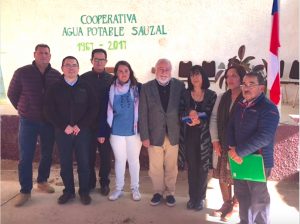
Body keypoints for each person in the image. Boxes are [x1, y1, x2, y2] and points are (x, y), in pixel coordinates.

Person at [7, 44, 61, 207]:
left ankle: (42, 181)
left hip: (48, 122)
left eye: (46, 53)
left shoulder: (55, 75)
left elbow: (58, 97)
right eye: (40, 53)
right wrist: (24, 109)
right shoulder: (22, 72)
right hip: (28, 121)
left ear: (50, 56)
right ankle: (25, 190)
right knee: (26, 156)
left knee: (47, 153)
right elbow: (12, 94)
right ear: (34, 54)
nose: (43, 55)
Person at [227, 72, 279, 224]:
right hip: (238, 158)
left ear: (261, 88)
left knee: (258, 199)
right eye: (244, 84)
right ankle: (244, 221)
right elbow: (230, 126)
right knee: (242, 195)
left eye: (251, 84)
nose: (246, 87)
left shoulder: (269, 108)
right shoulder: (240, 104)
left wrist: (239, 152)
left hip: (258, 160)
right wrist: (232, 146)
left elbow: (264, 136)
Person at [44, 56, 97, 205]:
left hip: (82, 132)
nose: (71, 68)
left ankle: (84, 192)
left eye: (74, 65)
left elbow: (93, 108)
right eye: (67, 65)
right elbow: (49, 110)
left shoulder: (86, 86)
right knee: (65, 163)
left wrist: (81, 126)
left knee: (84, 163)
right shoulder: (54, 87)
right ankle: (68, 192)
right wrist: (63, 126)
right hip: (63, 132)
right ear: (62, 68)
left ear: (78, 68)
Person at [139, 58, 185, 207]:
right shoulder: (146, 88)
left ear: (171, 71)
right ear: (156, 70)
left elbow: (184, 108)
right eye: (161, 69)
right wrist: (144, 136)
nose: (164, 72)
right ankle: (158, 192)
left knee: (172, 166)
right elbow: (142, 113)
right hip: (154, 135)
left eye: (167, 69)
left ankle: (170, 193)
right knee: (155, 167)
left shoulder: (179, 85)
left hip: (173, 133)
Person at [98, 60, 142, 201]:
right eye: (120, 71)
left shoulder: (138, 88)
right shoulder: (109, 89)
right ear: (116, 73)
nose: (123, 74)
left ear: (130, 72)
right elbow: (103, 112)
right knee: (120, 160)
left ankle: (135, 188)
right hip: (115, 132)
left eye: (126, 71)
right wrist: (101, 132)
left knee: (134, 160)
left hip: (134, 132)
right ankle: (119, 189)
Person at [209, 65, 246, 221]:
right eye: (228, 76)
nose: (230, 79)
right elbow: (214, 118)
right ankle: (226, 203)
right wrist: (215, 140)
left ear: (242, 78)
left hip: (239, 146)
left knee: (237, 176)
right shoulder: (222, 97)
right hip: (222, 145)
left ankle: (236, 207)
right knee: (222, 175)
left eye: (234, 76)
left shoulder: (246, 97)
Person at [181, 65, 217, 211]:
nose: (195, 77)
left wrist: (199, 120)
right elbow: (180, 110)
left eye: (198, 74)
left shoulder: (211, 95)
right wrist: (189, 113)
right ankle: (192, 198)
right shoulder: (185, 94)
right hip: (189, 136)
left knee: (202, 169)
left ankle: (201, 199)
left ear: (203, 77)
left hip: (204, 137)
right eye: (192, 75)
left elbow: (212, 115)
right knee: (192, 169)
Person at [80, 48, 113, 196]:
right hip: (87, 125)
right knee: (89, 155)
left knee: (106, 156)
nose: (99, 62)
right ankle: (90, 181)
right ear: (91, 61)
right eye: (96, 59)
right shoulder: (84, 78)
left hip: (105, 126)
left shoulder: (112, 79)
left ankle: (104, 182)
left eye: (102, 59)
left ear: (106, 61)